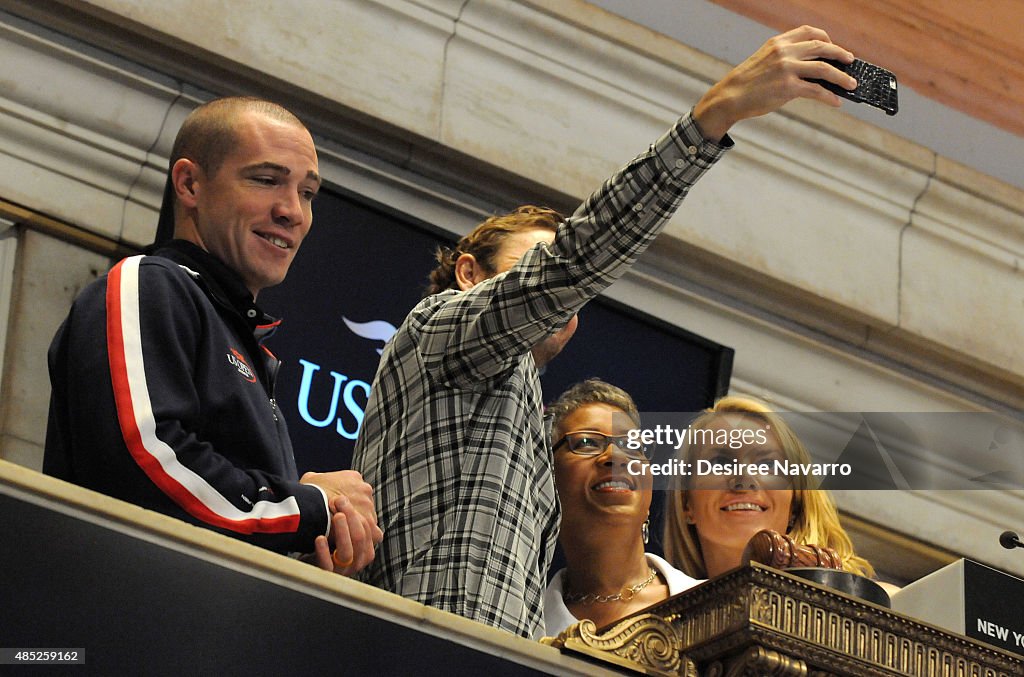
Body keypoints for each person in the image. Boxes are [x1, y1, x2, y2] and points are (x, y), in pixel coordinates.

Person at [352, 25, 861, 638]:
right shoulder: (439, 331)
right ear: (468, 274)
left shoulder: (517, 426)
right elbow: (575, 262)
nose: (565, 298)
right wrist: (715, 114)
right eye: (530, 270)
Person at [44, 96, 381, 574]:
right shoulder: (149, 282)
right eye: (267, 180)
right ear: (190, 184)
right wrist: (314, 507)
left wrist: (304, 553)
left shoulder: (239, 336)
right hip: (102, 635)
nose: (293, 212)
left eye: (307, 193)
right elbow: (146, 460)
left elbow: (214, 530)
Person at [542, 379, 701, 637]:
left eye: (632, 446)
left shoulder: (714, 606)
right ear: (548, 479)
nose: (615, 457)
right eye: (586, 443)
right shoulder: (526, 630)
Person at [663, 396, 876, 580]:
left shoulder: (883, 606)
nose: (744, 480)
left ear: (795, 505)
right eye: (720, 464)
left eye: (766, 465)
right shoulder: (655, 618)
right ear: (686, 503)